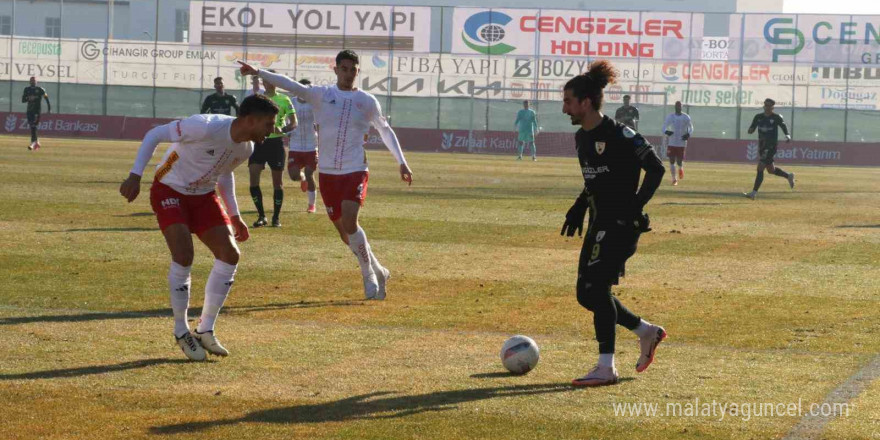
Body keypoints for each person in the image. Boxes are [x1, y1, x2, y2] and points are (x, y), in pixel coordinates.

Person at [239, 49, 413, 301]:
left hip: (355, 169)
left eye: (353, 69)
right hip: (328, 173)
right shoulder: (321, 95)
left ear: (357, 72)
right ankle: (379, 269)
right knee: (345, 234)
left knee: (351, 221)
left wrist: (402, 162)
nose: (348, 74)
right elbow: (290, 85)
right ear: (336, 70)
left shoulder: (367, 101)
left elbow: (385, 130)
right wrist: (259, 72)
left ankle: (368, 274)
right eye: (344, 68)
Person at [118, 95, 279, 361]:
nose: (271, 130)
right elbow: (155, 134)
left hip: (204, 196)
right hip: (169, 188)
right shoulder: (204, 126)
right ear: (250, 120)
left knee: (230, 255)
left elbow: (224, 174)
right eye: (268, 123)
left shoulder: (246, 148)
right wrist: (135, 175)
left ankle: (205, 329)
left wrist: (235, 215)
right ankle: (181, 331)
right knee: (183, 255)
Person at [559, 60, 667, 387]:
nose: (564, 108)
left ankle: (606, 366)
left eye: (568, 101)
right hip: (598, 222)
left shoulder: (621, 134)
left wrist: (635, 207)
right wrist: (578, 206)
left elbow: (656, 168)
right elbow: (594, 181)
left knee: (596, 289)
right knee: (586, 294)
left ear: (586, 102)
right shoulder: (581, 139)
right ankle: (645, 331)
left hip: (620, 224)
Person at [248, 70, 297, 228]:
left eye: (269, 79)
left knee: (278, 183)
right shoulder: (258, 99)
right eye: (265, 80)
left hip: (276, 144)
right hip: (258, 143)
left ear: (274, 82)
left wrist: (282, 130)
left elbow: (293, 122)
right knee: (253, 178)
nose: (266, 82)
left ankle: (276, 217)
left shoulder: (284, 99)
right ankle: (261, 216)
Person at [744, 98, 795, 200]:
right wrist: (750, 130)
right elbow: (752, 128)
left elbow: (783, 126)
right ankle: (788, 176)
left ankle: (753, 193)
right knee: (771, 170)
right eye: (765, 105)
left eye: (768, 106)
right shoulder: (758, 117)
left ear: (772, 107)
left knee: (760, 168)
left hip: (771, 146)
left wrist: (788, 135)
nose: (766, 107)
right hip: (762, 146)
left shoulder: (776, 117)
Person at [287, 78, 319, 213]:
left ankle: (312, 205)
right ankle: (302, 178)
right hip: (295, 145)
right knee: (294, 175)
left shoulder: (314, 104)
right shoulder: (291, 102)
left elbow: (321, 121)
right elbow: (284, 118)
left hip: (311, 145)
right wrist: (286, 129)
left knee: (310, 173)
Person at [660, 101, 693, 186]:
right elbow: (664, 126)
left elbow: (691, 127)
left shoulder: (686, 117)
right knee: (671, 160)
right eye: (676, 106)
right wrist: (666, 131)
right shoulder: (670, 117)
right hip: (672, 142)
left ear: (681, 107)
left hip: (681, 142)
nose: (678, 107)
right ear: (675, 107)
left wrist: (688, 134)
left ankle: (681, 168)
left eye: (679, 106)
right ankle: (674, 179)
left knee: (679, 161)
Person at [22, 76, 51, 151]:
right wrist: (29, 98)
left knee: (33, 126)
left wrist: (49, 109)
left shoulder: (40, 89)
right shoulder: (26, 89)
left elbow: (46, 98)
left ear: (36, 82)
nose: (33, 82)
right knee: (32, 127)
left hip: (37, 111)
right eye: (31, 80)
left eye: (34, 80)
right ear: (29, 82)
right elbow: (23, 100)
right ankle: (37, 142)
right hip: (29, 111)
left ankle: (32, 143)